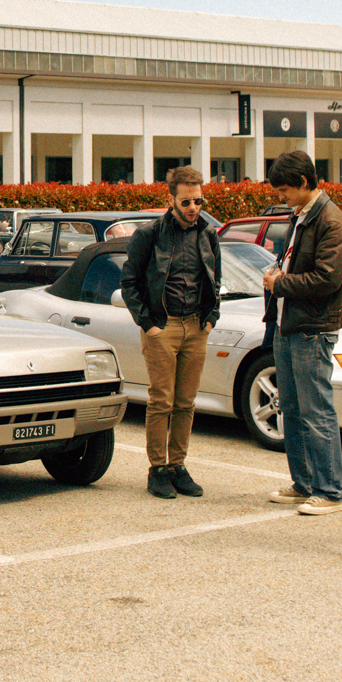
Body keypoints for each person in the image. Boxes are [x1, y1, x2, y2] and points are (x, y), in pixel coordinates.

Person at [120, 166, 220, 499]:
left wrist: (210, 317)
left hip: (195, 326)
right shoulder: (149, 234)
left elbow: (214, 279)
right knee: (161, 401)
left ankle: (178, 466)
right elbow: (129, 282)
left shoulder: (207, 234)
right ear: (172, 199)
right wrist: (148, 324)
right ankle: (157, 469)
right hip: (163, 327)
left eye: (198, 201)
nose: (193, 208)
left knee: (186, 402)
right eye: (187, 202)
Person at [261, 151, 342, 516]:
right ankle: (304, 484)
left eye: (284, 189)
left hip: (312, 328)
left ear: (303, 182)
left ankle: (329, 490)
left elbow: (328, 278)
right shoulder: (300, 215)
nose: (281, 196)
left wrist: (281, 283)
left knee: (317, 412)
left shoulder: (330, 220)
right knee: (294, 410)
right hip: (289, 324)